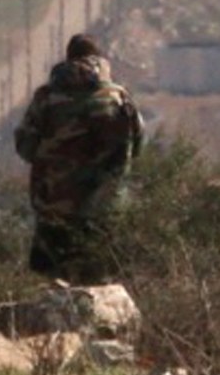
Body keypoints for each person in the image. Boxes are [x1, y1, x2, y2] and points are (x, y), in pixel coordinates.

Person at [13, 33, 145, 280]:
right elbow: (137, 145)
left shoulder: (47, 98)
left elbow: (25, 145)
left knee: (53, 277)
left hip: (54, 202)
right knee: (101, 277)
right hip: (105, 204)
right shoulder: (118, 98)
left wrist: (55, 163)